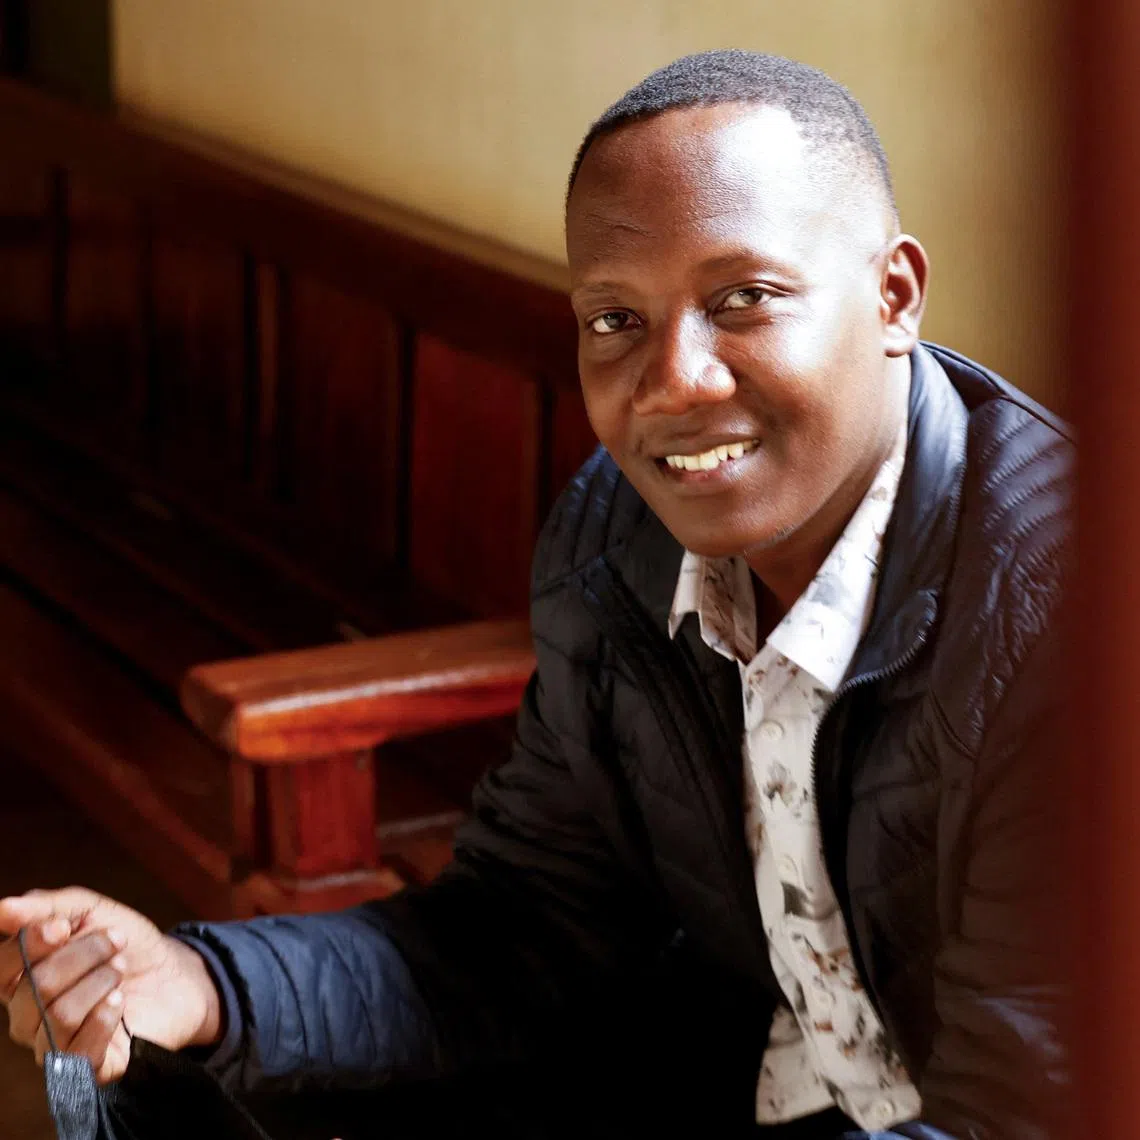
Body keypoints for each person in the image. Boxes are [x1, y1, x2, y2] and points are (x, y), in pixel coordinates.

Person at [0, 50, 1073, 1139]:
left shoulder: (1065, 624)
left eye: (744, 298)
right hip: (755, 1075)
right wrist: (201, 984)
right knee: (177, 1090)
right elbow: (527, 923)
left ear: (894, 295)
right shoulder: (620, 536)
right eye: (616, 320)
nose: (674, 380)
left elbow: (1021, 1113)